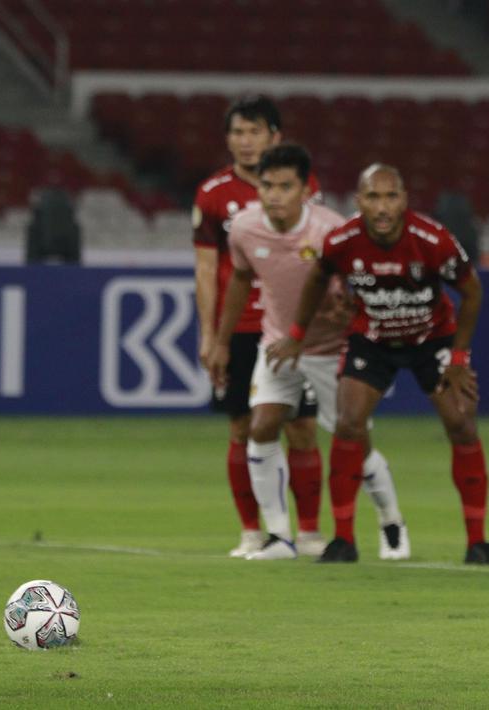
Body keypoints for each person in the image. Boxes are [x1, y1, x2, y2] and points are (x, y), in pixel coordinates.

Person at [193, 95, 403, 557]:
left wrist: (348, 315)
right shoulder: (220, 203)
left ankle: (351, 525)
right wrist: (214, 336)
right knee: (249, 425)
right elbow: (212, 270)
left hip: (317, 342)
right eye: (237, 132)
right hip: (262, 332)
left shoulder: (322, 218)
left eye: (254, 131)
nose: (244, 142)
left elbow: (347, 277)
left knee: (325, 432)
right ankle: (265, 533)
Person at [269, 163, 489, 565]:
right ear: (359, 200)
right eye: (373, 197)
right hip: (372, 339)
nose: (382, 207)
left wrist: (458, 357)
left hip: (431, 338)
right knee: (348, 424)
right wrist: (296, 334)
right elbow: (315, 279)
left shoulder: (431, 240)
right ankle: (343, 540)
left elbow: (472, 291)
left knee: (462, 423)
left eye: (390, 196)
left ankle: (478, 543)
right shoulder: (343, 240)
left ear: (404, 200)